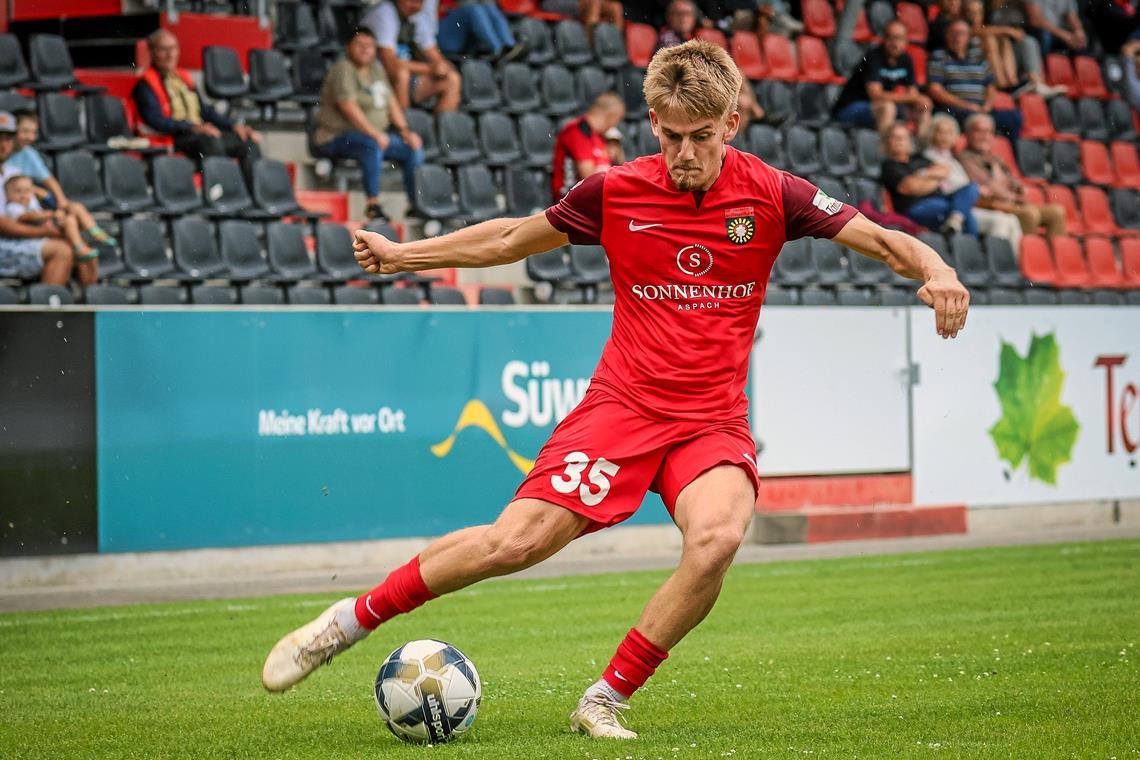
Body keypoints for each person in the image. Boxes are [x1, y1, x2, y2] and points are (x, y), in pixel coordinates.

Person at [262, 40, 970, 741]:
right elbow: (511, 238)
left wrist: (936, 267)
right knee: (514, 543)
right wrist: (403, 255)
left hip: (710, 423)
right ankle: (346, 622)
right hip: (622, 409)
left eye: (700, 136)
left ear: (730, 125)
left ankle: (603, 698)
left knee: (719, 537)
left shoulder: (773, 193)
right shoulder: (617, 190)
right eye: (670, 135)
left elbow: (882, 239)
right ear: (652, 124)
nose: (684, 151)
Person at [312, 27, 425, 221]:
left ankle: (416, 204)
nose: (365, 50)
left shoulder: (376, 69)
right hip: (335, 137)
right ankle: (373, 205)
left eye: (370, 46)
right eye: (360, 45)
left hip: (373, 137)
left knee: (413, 149)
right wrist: (374, 134)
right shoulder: (343, 68)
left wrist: (405, 131)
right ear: (349, 47)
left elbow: (391, 102)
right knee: (370, 146)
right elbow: (348, 106)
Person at [132, 30, 261, 177]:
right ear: (152, 52)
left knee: (247, 141)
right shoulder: (145, 85)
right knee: (211, 141)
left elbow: (205, 111)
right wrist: (192, 127)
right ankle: (223, 193)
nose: (171, 54)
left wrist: (234, 126)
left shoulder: (184, 78)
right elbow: (156, 121)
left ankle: (257, 195)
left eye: (174, 48)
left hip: (199, 133)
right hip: (177, 136)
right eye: (164, 49)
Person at [0, 113, 92, 286]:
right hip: (4, 242)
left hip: (19, 238)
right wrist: (45, 232)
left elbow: (33, 210)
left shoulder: (14, 172)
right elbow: (2, 225)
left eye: (7, 139)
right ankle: (45, 309)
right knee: (61, 250)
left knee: (84, 248)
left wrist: (53, 222)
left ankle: (89, 304)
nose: (3, 145)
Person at [7, 110, 117, 247]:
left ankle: (93, 231)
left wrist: (61, 202)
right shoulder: (6, 156)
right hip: (18, 209)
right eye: (24, 131)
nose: (30, 137)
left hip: (34, 202)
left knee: (74, 208)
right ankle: (82, 244)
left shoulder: (29, 153)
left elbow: (49, 180)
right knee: (68, 228)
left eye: (33, 132)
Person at [958, 112, 1066, 238]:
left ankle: (1051, 255)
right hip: (991, 206)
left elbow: (1013, 181)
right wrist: (1013, 195)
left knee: (1057, 212)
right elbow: (990, 188)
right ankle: (1024, 255)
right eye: (979, 131)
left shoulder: (995, 158)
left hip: (1011, 203)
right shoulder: (964, 159)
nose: (984, 136)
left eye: (988, 132)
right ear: (967, 134)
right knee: (1029, 214)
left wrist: (1018, 190)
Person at [922, 114, 1022, 245]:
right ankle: (996, 262)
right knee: (1000, 221)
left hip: (968, 204)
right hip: (952, 206)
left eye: (949, 133)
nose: (945, 137)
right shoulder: (926, 158)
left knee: (1012, 220)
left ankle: (1015, 264)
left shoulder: (953, 160)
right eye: (940, 132)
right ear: (932, 134)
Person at [927, 20, 1023, 140]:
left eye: (961, 33)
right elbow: (935, 90)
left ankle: (1010, 155)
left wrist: (987, 106)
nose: (957, 37)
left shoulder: (979, 57)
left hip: (982, 109)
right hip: (956, 110)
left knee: (1015, 117)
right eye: (954, 33)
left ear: (968, 37)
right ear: (947, 35)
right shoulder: (939, 57)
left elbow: (991, 86)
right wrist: (967, 106)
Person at [833, 20, 933, 134]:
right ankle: (886, 149)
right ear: (883, 39)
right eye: (890, 38)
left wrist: (917, 100)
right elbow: (875, 95)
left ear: (906, 41)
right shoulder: (874, 57)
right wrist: (912, 97)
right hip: (851, 108)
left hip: (878, 107)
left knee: (923, 107)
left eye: (899, 38)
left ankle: (922, 149)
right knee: (887, 107)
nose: (895, 43)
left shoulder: (906, 59)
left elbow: (913, 93)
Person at [363, 0, 462, 114]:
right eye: (411, 1)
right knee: (402, 73)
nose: (414, 6)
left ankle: (440, 128)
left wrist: (442, 67)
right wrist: (431, 69)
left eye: (419, 2)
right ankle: (404, 127)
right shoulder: (385, 12)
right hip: (376, 77)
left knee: (452, 78)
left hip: (408, 77)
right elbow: (390, 63)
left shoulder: (418, 18)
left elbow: (433, 53)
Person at [882, 121, 981, 235]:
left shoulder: (919, 158)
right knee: (962, 212)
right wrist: (933, 178)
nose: (900, 141)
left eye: (903, 137)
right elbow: (909, 187)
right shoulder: (889, 165)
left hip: (939, 201)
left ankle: (956, 225)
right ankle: (957, 227)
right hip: (915, 207)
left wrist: (920, 176)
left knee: (971, 188)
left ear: (909, 141)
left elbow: (944, 171)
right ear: (887, 142)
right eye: (895, 137)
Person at [5, 175, 111, 262]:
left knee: (76, 210)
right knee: (69, 221)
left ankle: (94, 230)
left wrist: (38, 193)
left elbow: (48, 199)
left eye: (27, 191)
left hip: (48, 225)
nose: (23, 195)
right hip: (38, 232)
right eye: (17, 191)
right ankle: (79, 247)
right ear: (6, 194)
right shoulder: (12, 206)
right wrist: (51, 214)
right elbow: (27, 216)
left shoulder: (31, 203)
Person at [551, 92, 625, 201]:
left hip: (589, 200)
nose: (614, 125)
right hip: (568, 202)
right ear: (611, 116)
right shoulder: (577, 131)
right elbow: (589, 177)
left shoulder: (598, 137)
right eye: (617, 120)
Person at [982, 0, 1066, 96]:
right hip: (992, 50)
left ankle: (1037, 83)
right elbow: (979, 28)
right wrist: (1007, 31)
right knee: (1004, 42)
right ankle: (1009, 86)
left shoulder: (1017, 5)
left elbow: (1031, 21)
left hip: (1013, 46)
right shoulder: (986, 7)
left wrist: (1015, 31)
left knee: (1029, 42)